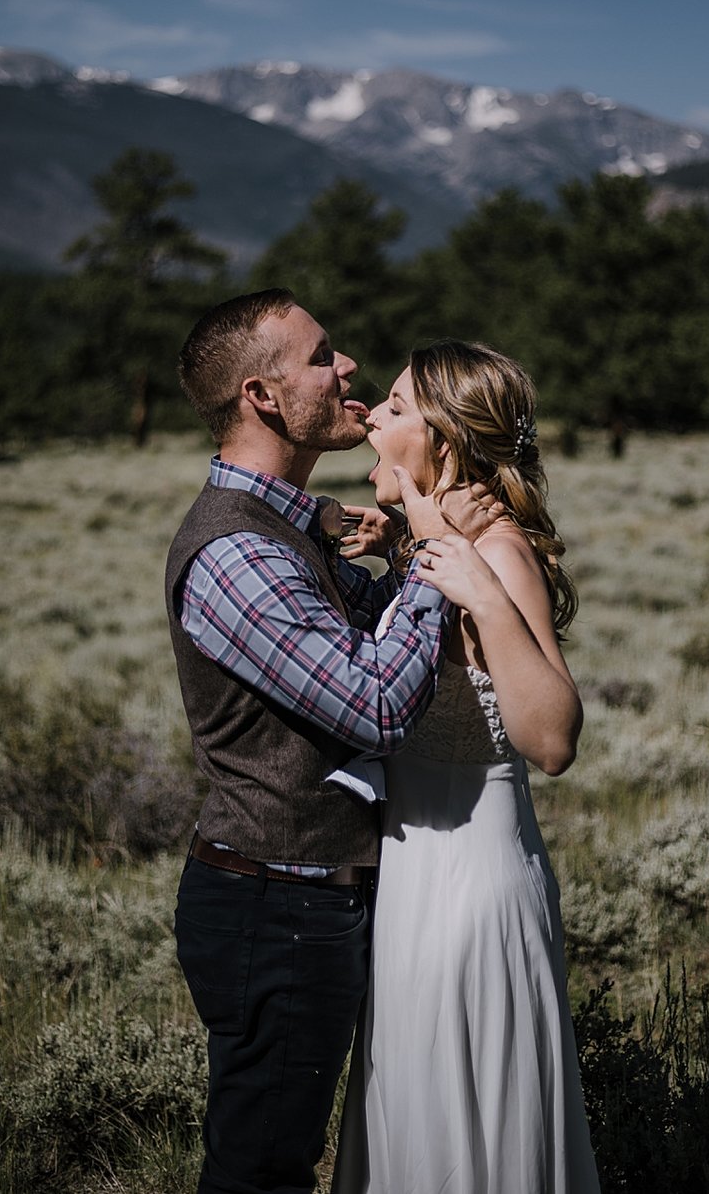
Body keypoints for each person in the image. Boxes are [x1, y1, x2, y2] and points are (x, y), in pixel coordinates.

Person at [165, 290, 497, 1194]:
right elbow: (378, 705)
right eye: (321, 357)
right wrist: (436, 549)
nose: (347, 368)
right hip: (277, 904)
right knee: (264, 1167)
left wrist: (402, 562)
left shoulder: (287, 529)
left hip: (307, 898)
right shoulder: (240, 554)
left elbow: (379, 642)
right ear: (261, 397)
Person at [332, 339, 601, 1194]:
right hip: (412, 880)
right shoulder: (432, 546)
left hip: (468, 895)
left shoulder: (496, 551)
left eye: (398, 408)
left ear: (443, 446)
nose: (373, 414)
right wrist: (400, 561)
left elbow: (553, 739)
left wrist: (481, 588)